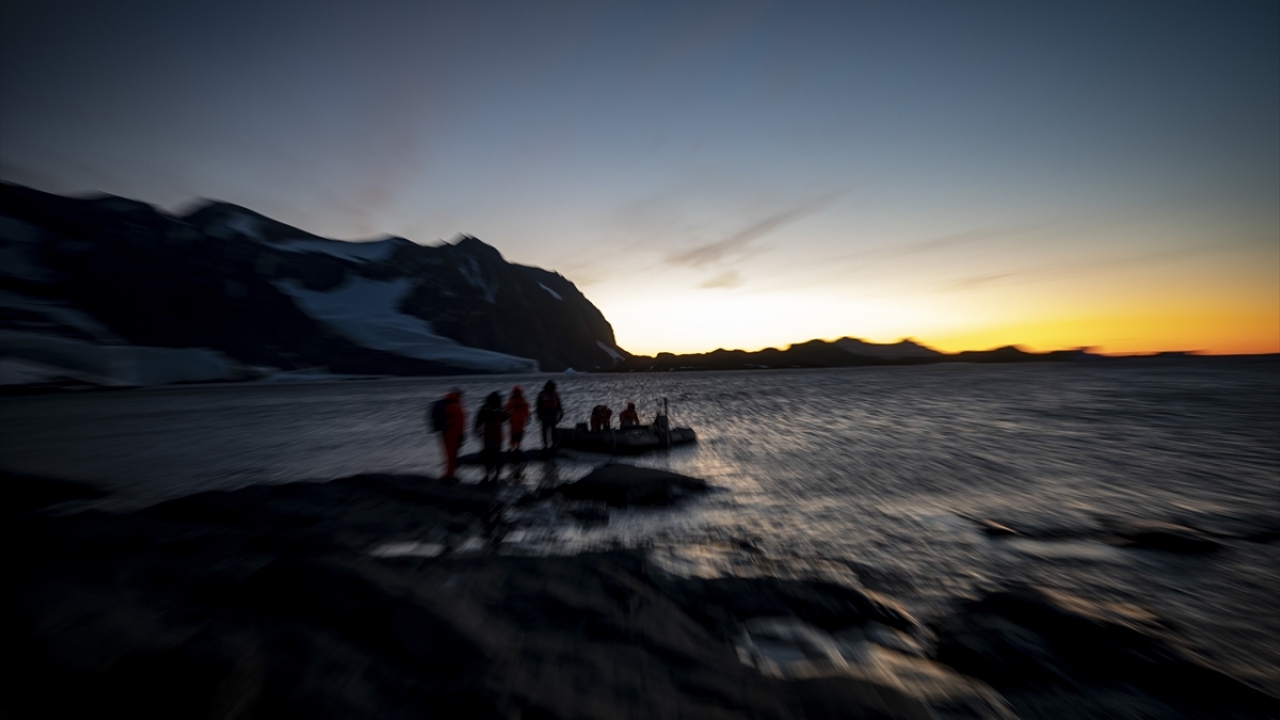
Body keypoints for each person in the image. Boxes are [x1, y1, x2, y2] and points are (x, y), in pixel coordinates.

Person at [474, 391, 507, 484]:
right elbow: (506, 418)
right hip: (497, 437)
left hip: (488, 436)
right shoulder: (501, 409)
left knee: (486, 457)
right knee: (497, 457)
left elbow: (478, 421)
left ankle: (487, 475)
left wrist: (477, 431)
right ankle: (496, 475)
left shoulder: (485, 408)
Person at [433, 390, 465, 481]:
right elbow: (460, 422)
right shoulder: (455, 407)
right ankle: (449, 475)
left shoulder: (446, 405)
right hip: (453, 434)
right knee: (452, 455)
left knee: (448, 454)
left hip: (445, 433)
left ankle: (448, 473)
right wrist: (461, 434)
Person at [536, 380, 564, 449]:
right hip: (544, 416)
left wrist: (561, 415)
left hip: (552, 416)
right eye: (549, 386)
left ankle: (553, 445)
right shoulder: (542, 394)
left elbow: (559, 406)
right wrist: (539, 415)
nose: (550, 387)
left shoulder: (555, 395)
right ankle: (545, 445)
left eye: (551, 386)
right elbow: (538, 405)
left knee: (553, 432)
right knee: (545, 432)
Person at [505, 385, 530, 452]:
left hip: (521, 419)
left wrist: (528, 417)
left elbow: (526, 408)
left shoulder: (522, 399)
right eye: (515, 392)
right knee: (513, 433)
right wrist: (506, 415)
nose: (516, 393)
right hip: (514, 419)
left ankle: (517, 446)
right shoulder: (512, 400)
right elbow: (507, 408)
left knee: (520, 433)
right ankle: (512, 446)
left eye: (517, 392)